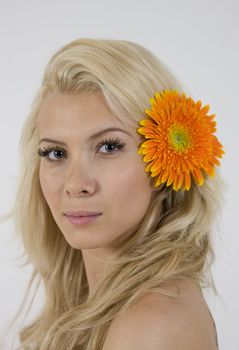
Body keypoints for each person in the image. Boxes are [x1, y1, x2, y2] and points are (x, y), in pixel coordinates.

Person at [6, 38, 225, 349]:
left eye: (108, 147)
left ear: (167, 158)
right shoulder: (113, 308)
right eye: (55, 153)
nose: (76, 183)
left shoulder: (151, 325)